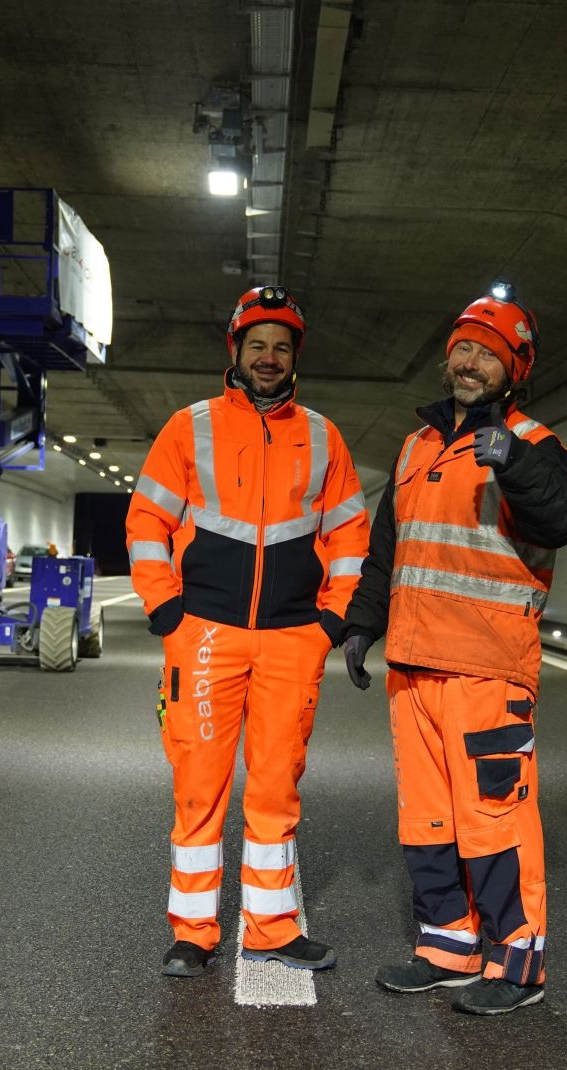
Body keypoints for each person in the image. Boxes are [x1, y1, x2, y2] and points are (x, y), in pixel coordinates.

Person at [340, 287, 567, 1016]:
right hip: (414, 667)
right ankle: (447, 946)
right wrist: (362, 623)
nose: (472, 361)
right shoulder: (416, 447)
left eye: (490, 352)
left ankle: (516, 966)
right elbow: (389, 551)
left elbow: (561, 520)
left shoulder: (536, 445)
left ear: (513, 369)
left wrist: (510, 459)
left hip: (486, 667)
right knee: (428, 818)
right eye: (465, 347)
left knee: (494, 819)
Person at [127, 285, 369, 978]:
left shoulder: (323, 436)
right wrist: (166, 610)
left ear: (295, 358)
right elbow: (146, 520)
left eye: (282, 347)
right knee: (199, 786)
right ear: (235, 351)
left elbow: (350, 533)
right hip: (203, 632)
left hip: (293, 638)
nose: (269, 358)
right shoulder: (190, 426)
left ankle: (269, 928)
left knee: (274, 787)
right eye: (258, 345)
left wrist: (331, 619)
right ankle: (194, 932)